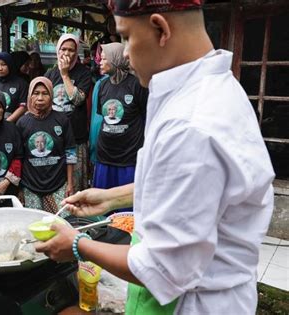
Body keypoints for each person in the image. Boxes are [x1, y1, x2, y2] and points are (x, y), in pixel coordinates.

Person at [35, 1, 275, 314]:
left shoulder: (191, 123)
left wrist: (78, 245)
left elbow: (162, 269)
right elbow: (195, 193)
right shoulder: (214, 89)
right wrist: (112, 197)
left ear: (161, 29)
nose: (125, 54)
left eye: (126, 37)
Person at [92, 42, 148, 213]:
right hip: (105, 157)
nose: (100, 61)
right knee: (102, 208)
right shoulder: (102, 85)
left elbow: (147, 117)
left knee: (126, 211)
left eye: (105, 58)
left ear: (116, 60)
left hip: (128, 159)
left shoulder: (137, 85)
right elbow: (101, 118)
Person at [16, 77, 76, 213]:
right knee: (35, 226)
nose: (40, 97)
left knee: (63, 223)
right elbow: (18, 158)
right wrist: (19, 188)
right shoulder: (22, 123)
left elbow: (70, 152)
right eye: (36, 93)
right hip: (30, 186)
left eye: (45, 93)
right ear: (30, 96)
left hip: (59, 184)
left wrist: (70, 183)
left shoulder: (61, 119)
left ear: (52, 95)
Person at [45, 34, 92, 193]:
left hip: (76, 136)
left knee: (75, 186)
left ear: (76, 52)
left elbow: (78, 99)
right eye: (63, 49)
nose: (67, 53)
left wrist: (65, 75)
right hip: (54, 136)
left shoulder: (83, 73)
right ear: (58, 51)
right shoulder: (50, 74)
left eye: (71, 50)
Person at [0, 52, 28, 123]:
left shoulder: (21, 84)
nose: (0, 68)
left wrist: (7, 122)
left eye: (4, 64)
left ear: (10, 65)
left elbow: (23, 107)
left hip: (14, 124)